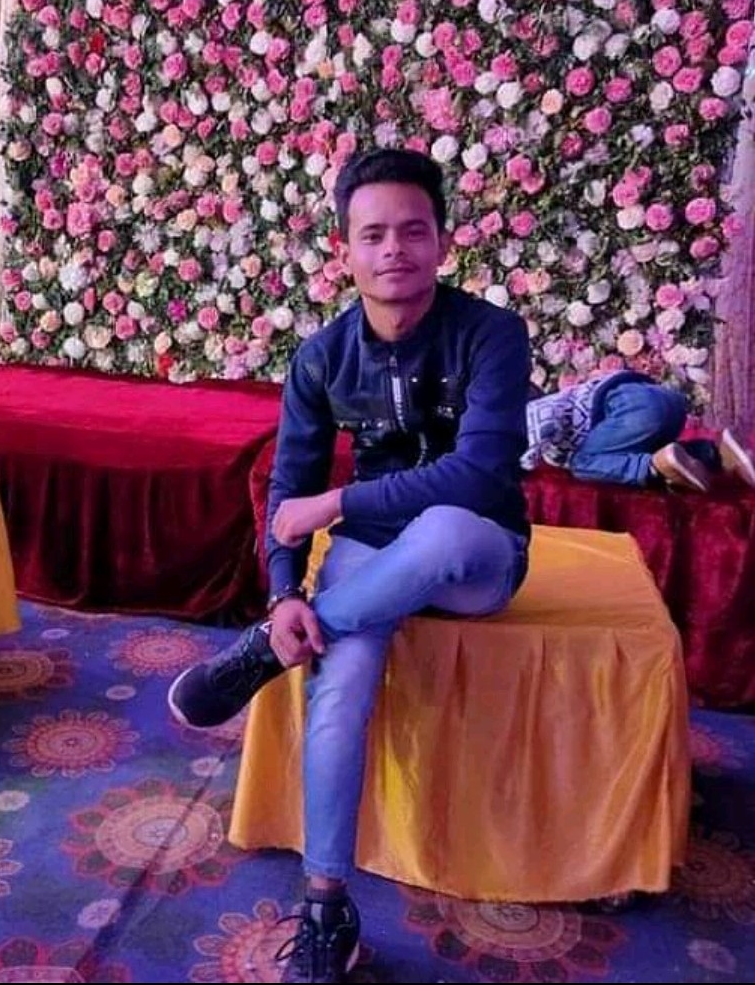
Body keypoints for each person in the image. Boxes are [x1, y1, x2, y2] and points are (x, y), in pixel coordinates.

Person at [167, 147, 533, 984]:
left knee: (441, 528)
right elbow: (287, 486)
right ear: (345, 251)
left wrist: (338, 503)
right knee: (339, 686)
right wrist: (282, 595)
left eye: (413, 230)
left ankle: (262, 656)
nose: (394, 249)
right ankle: (326, 903)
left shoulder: (492, 334)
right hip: (372, 559)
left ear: (443, 242)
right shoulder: (321, 356)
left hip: (477, 554)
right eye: (374, 235)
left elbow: (480, 475)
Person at [523, 375, 755, 492]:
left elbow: (523, 454)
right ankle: (719, 453)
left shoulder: (532, 411)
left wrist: (516, 465)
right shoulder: (562, 411)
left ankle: (654, 468)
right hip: (663, 401)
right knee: (633, 453)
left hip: (630, 407)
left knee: (582, 464)